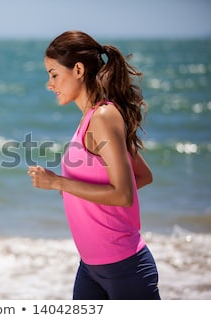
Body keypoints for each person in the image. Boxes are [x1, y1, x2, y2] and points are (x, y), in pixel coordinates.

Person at [27, 30, 161, 300]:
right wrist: (82, 193)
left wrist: (59, 183)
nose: (49, 84)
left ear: (78, 69)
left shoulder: (103, 117)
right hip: (91, 267)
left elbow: (124, 194)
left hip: (125, 268)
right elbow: (142, 176)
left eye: (53, 74)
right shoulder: (90, 118)